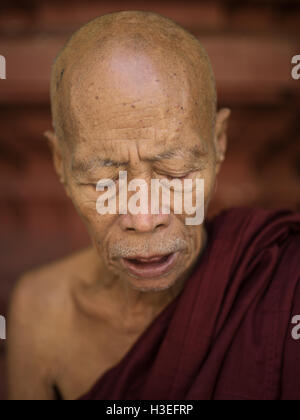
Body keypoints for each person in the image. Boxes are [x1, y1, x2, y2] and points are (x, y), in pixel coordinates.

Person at [7, 11, 300, 400]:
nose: (144, 220)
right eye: (103, 180)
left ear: (219, 142)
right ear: (60, 163)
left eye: (175, 172)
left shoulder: (283, 286)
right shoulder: (41, 313)